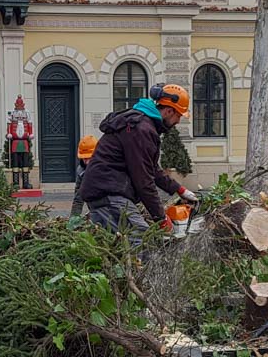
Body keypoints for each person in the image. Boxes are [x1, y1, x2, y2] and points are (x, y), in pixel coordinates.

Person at [80, 83, 198, 240]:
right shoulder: (141, 129)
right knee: (142, 244)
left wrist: (179, 189)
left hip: (105, 191)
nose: (178, 121)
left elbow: (151, 169)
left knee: (119, 246)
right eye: (179, 116)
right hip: (109, 193)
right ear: (169, 111)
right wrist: (161, 218)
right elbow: (143, 180)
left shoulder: (142, 124)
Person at [69, 135, 98, 218]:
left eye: (89, 158)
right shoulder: (81, 171)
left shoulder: (108, 167)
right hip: (94, 208)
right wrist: (74, 217)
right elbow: (78, 198)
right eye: (84, 158)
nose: (87, 162)